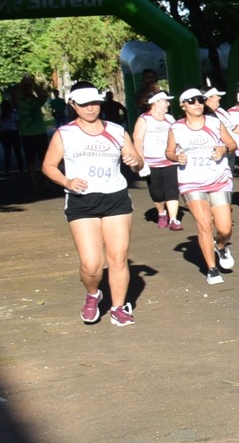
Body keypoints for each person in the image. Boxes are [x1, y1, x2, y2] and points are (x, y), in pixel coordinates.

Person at [41, 85, 143, 326]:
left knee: (118, 258)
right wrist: (67, 181)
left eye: (94, 103)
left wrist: (134, 161)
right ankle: (93, 294)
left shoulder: (117, 131)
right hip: (82, 201)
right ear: (73, 105)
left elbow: (138, 163)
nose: (90, 108)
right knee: (91, 265)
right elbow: (48, 166)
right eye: (84, 104)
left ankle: (118, 307)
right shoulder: (65, 134)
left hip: (115, 197)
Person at [166, 89, 239, 285]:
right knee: (204, 224)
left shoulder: (215, 122)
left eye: (200, 100)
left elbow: (232, 143)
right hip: (191, 181)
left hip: (218, 178)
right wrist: (176, 157)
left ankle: (221, 246)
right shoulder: (176, 128)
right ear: (183, 105)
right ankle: (212, 269)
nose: (197, 104)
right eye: (191, 101)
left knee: (224, 228)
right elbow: (169, 152)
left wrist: (224, 148)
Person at [132, 90, 183, 231]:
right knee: (156, 192)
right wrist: (141, 161)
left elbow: (177, 137)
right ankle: (162, 213)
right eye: (165, 101)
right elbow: (138, 139)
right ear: (156, 102)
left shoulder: (170, 119)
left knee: (172, 189)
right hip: (151, 163)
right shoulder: (144, 119)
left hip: (170, 161)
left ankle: (173, 219)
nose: (168, 103)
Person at [15, 79, 53, 190]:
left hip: (40, 133)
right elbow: (15, 98)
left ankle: (46, 183)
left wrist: (34, 84)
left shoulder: (36, 100)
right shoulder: (19, 101)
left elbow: (43, 95)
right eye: (25, 88)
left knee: (44, 160)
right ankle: (35, 184)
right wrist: (20, 84)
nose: (28, 89)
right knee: (30, 161)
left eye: (29, 88)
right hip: (27, 135)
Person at [0, 96, 21, 173]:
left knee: (7, 152)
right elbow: (18, 123)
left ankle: (7, 168)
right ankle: (21, 166)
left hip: (4, 133)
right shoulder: (13, 113)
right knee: (17, 151)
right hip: (13, 132)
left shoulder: (0, 115)